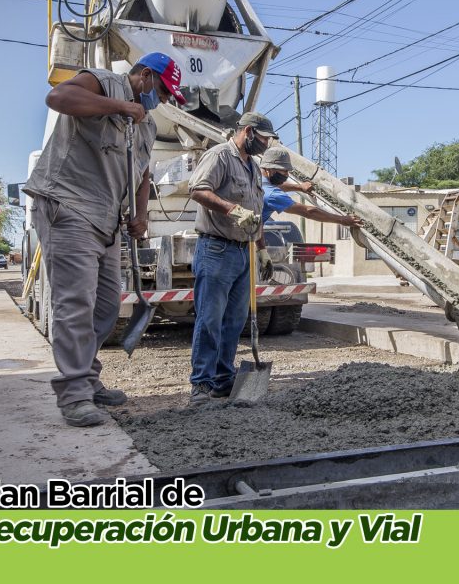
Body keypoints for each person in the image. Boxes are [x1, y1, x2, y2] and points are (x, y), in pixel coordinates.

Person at [22, 51, 184, 426]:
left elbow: (142, 174)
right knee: (75, 303)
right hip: (69, 204)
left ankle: (89, 380)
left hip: (107, 219)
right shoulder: (102, 82)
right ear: (144, 76)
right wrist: (121, 106)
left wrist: (141, 216)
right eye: (160, 91)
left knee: (106, 305)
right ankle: (75, 393)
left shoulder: (146, 125)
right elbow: (58, 98)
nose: (160, 100)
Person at [186, 111, 274, 405]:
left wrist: (261, 249)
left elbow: (255, 214)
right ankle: (201, 383)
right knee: (210, 319)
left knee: (234, 321)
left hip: (244, 251)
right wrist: (231, 210)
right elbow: (198, 190)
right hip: (216, 249)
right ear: (247, 132)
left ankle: (223, 378)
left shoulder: (253, 167)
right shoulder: (220, 156)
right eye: (262, 139)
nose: (265, 146)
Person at [257, 144, 362, 279]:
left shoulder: (256, 180)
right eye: (284, 171)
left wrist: (299, 187)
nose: (287, 175)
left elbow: (275, 186)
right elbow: (308, 211)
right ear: (269, 169)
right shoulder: (272, 195)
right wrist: (343, 220)